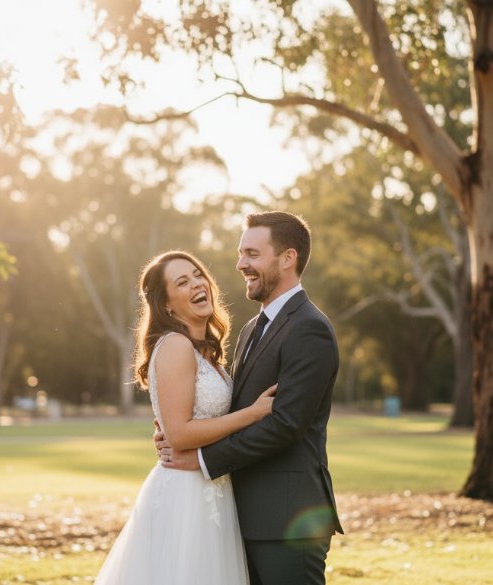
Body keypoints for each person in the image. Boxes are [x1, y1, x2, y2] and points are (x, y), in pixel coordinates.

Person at [158, 211, 343, 585]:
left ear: (287, 258)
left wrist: (202, 459)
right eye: (241, 254)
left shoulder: (310, 328)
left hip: (288, 520)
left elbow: (285, 425)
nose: (241, 264)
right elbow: (238, 410)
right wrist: (175, 429)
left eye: (252, 255)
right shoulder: (250, 329)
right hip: (240, 515)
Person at [95, 250, 277, 585]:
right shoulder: (176, 345)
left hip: (214, 485)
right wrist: (251, 415)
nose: (197, 284)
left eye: (198, 275)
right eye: (183, 281)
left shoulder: (207, 351)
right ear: (166, 305)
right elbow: (178, 434)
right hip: (186, 492)